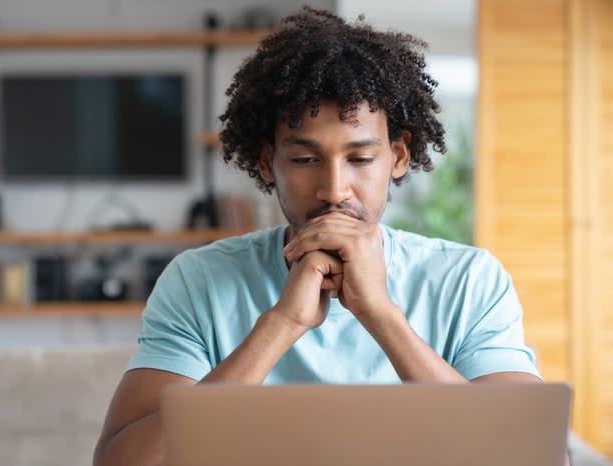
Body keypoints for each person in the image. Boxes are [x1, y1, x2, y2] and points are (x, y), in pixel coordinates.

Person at [93, 6, 544, 466]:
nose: (333, 190)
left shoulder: (468, 281)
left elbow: (533, 458)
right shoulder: (199, 280)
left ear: (399, 156)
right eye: (305, 160)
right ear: (268, 163)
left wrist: (380, 313)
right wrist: (282, 324)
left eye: (361, 159)